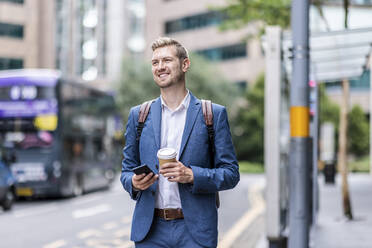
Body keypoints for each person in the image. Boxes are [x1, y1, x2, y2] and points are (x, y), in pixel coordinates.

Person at [120, 37, 240, 248]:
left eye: (166, 60)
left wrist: (193, 175)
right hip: (150, 233)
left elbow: (231, 173)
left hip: (195, 232)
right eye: (155, 62)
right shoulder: (138, 115)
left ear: (185, 64)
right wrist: (133, 183)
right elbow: (126, 171)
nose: (160, 67)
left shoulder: (212, 114)